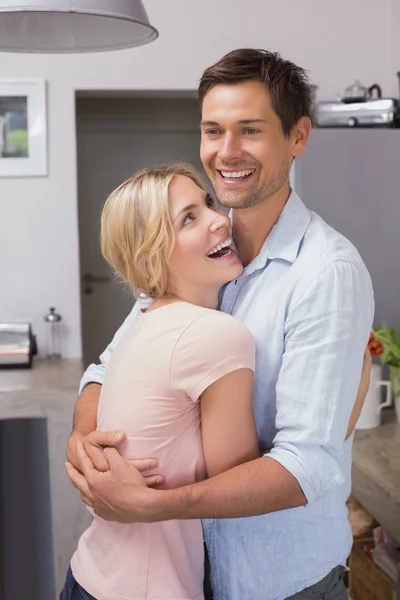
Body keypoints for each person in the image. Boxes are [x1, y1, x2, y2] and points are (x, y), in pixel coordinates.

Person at [66, 48, 374, 600]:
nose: (226, 152)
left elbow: (307, 465)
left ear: (297, 137)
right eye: (213, 130)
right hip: (187, 575)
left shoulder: (326, 273)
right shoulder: (200, 245)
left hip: (276, 584)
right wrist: (84, 439)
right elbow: (107, 367)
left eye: (250, 130)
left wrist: (157, 504)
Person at [61, 163, 261, 600]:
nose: (217, 219)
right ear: (149, 259)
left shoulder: (145, 321)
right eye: (188, 218)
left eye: (208, 203)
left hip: (89, 575)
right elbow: (239, 483)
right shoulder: (216, 335)